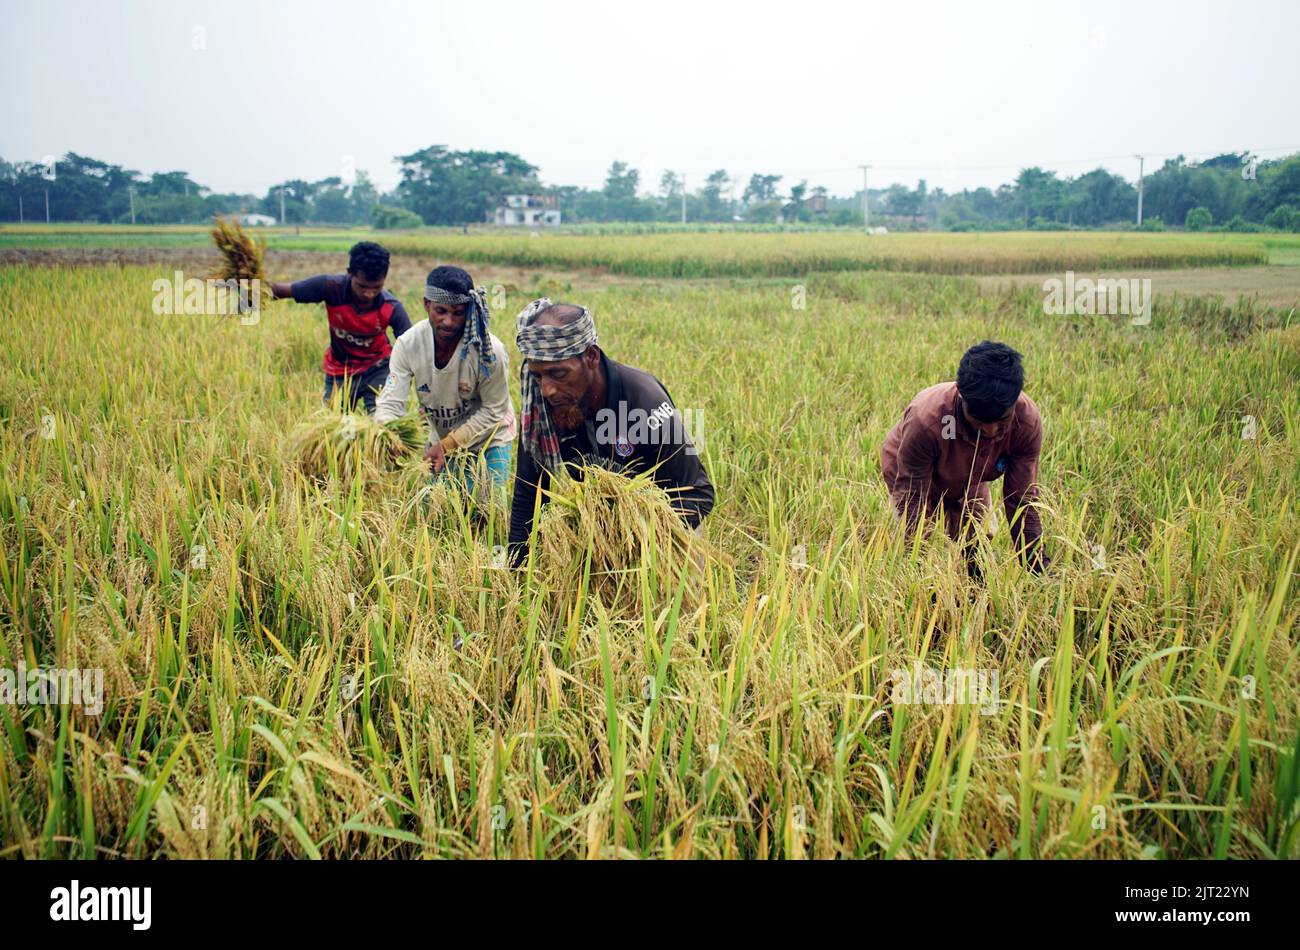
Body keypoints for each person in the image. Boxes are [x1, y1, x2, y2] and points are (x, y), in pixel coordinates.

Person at [507, 298, 714, 567]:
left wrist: (631, 536)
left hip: (666, 529)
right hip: (602, 527)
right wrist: (517, 571)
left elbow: (697, 494)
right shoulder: (544, 408)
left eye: (558, 373)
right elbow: (530, 492)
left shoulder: (645, 403)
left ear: (591, 357)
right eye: (538, 376)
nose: (547, 389)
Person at [880, 340, 1047, 578]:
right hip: (911, 472)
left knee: (978, 543)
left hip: (971, 475)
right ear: (962, 396)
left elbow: (1020, 499)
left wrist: (1036, 563)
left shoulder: (1026, 422)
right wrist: (916, 565)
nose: (990, 432)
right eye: (979, 422)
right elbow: (912, 495)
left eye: (1001, 421)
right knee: (918, 540)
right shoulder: (927, 420)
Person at [374, 266, 515, 499]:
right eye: (441, 311)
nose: (448, 322)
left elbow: (494, 410)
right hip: (441, 437)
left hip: (491, 437)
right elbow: (390, 402)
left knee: (487, 508)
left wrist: (450, 444)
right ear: (426, 304)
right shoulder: (408, 344)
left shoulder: (489, 351)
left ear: (469, 310)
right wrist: (387, 433)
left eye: (458, 313)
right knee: (439, 510)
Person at [270, 241, 411, 412]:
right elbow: (282, 290)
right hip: (340, 370)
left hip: (379, 368)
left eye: (377, 288)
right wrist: (242, 293)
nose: (369, 294)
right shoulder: (331, 287)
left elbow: (411, 346)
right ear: (349, 273)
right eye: (362, 286)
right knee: (333, 424)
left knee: (384, 421)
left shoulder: (391, 307)